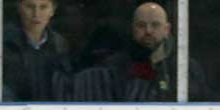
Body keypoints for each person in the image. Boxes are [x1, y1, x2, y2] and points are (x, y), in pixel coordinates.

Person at [73, 2, 208, 102]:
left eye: (155, 25)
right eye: (141, 25)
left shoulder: (186, 68)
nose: (148, 31)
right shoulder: (115, 67)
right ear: (133, 29)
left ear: (167, 29)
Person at [0, 0, 72, 101]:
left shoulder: (60, 46)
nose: (36, 14)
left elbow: (67, 87)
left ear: (53, 10)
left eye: (43, 7)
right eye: (30, 6)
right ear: (19, 7)